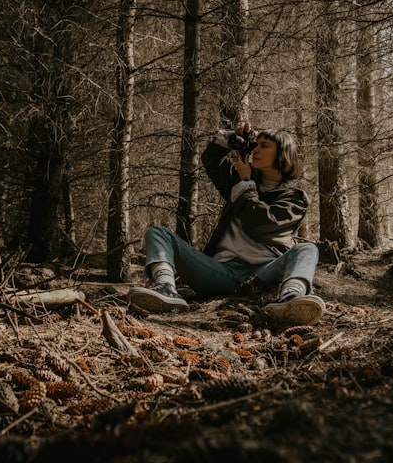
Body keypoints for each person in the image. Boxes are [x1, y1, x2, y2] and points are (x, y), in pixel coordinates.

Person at [127, 123, 326, 326]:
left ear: (284, 153)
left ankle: (291, 298)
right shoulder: (238, 180)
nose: (256, 150)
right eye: (255, 145)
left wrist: (246, 182)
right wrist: (232, 137)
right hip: (220, 272)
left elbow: (260, 223)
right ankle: (165, 288)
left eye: (264, 146)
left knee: (307, 249)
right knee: (158, 233)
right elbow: (211, 160)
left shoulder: (295, 198)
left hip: (262, 273)